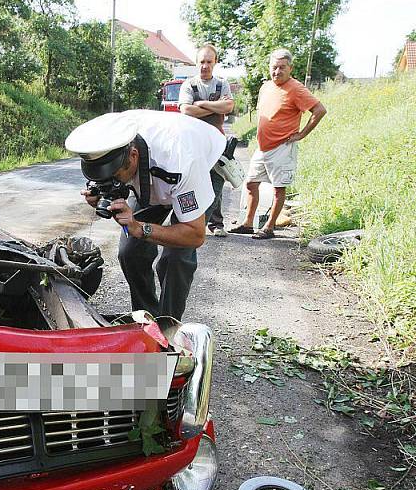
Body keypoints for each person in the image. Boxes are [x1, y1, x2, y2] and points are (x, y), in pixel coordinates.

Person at [65, 110, 224, 321]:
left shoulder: (182, 161)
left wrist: (140, 228)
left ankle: (168, 327)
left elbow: (194, 235)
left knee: (176, 258)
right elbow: (116, 178)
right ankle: (147, 318)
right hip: (152, 172)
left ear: (132, 156)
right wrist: (102, 193)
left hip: (203, 165)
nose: (112, 181)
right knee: (130, 251)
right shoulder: (116, 138)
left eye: (113, 177)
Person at [229, 48, 327, 239]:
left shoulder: (296, 88)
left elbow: (319, 110)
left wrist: (302, 134)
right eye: (274, 67)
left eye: (282, 67)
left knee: (278, 188)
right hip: (262, 147)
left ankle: (269, 227)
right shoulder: (266, 87)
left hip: (282, 147)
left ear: (290, 68)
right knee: (250, 184)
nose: (277, 71)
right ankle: (248, 224)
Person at [179, 43, 235, 238]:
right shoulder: (189, 84)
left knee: (216, 184)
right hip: (193, 144)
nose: (205, 65)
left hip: (218, 143)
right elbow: (186, 110)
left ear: (215, 62)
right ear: (197, 62)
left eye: (209, 62)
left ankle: (214, 223)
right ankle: (193, 223)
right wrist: (216, 107)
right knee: (193, 182)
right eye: (202, 61)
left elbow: (228, 107)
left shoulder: (222, 84)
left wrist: (201, 104)